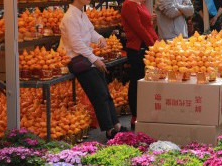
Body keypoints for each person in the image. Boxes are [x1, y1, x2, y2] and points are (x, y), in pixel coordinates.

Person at [60, 0, 126, 139]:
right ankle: (109, 129)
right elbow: (76, 44)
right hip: (78, 61)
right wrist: (94, 59)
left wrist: (100, 38)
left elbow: (90, 31)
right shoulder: (70, 17)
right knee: (100, 94)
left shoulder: (81, 14)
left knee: (105, 93)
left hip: (86, 58)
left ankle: (116, 125)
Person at [121, 0, 159, 130]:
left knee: (145, 81)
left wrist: (157, 43)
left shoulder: (140, 4)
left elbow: (148, 26)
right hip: (137, 48)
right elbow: (138, 28)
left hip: (146, 46)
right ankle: (135, 115)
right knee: (137, 81)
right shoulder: (129, 5)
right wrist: (152, 44)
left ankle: (145, 113)